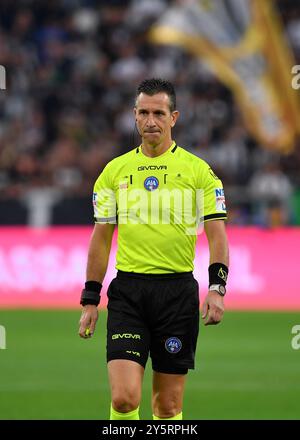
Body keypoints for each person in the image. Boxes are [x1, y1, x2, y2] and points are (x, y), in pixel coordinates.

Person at [78, 78, 229, 420]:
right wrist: (90, 298)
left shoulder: (199, 172)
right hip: (129, 293)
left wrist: (217, 289)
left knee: (168, 406)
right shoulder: (114, 172)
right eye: (143, 112)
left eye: (158, 113)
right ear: (133, 116)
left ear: (173, 117)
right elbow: (101, 238)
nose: (150, 121)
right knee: (124, 399)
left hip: (177, 295)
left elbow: (217, 236)